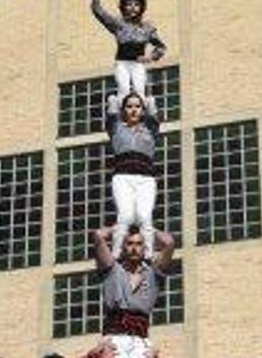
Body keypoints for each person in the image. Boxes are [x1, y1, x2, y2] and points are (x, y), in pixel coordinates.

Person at [91, 224, 175, 358]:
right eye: (129, 244)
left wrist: (147, 227)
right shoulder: (112, 269)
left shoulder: (153, 273)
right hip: (114, 340)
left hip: (141, 343)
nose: (134, 248)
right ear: (123, 247)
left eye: (139, 244)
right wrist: (121, 225)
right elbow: (98, 235)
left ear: (145, 248)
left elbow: (169, 243)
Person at [90, 0, 167, 101]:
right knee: (124, 89)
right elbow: (98, 11)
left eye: (136, 5)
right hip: (122, 63)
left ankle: (142, 114)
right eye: (129, 4)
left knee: (139, 90)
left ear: (141, 8)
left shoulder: (147, 28)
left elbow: (161, 47)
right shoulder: (118, 24)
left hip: (137, 64)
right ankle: (117, 110)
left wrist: (151, 57)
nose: (133, 8)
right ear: (124, 7)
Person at [106, 92, 160, 260]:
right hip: (123, 177)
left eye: (137, 106)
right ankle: (116, 253)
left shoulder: (149, 130)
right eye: (129, 107)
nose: (134, 110)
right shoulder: (117, 128)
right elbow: (112, 109)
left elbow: (153, 112)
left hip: (145, 179)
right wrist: (116, 101)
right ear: (124, 111)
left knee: (144, 216)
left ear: (143, 111)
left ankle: (149, 253)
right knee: (126, 215)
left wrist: (148, 101)